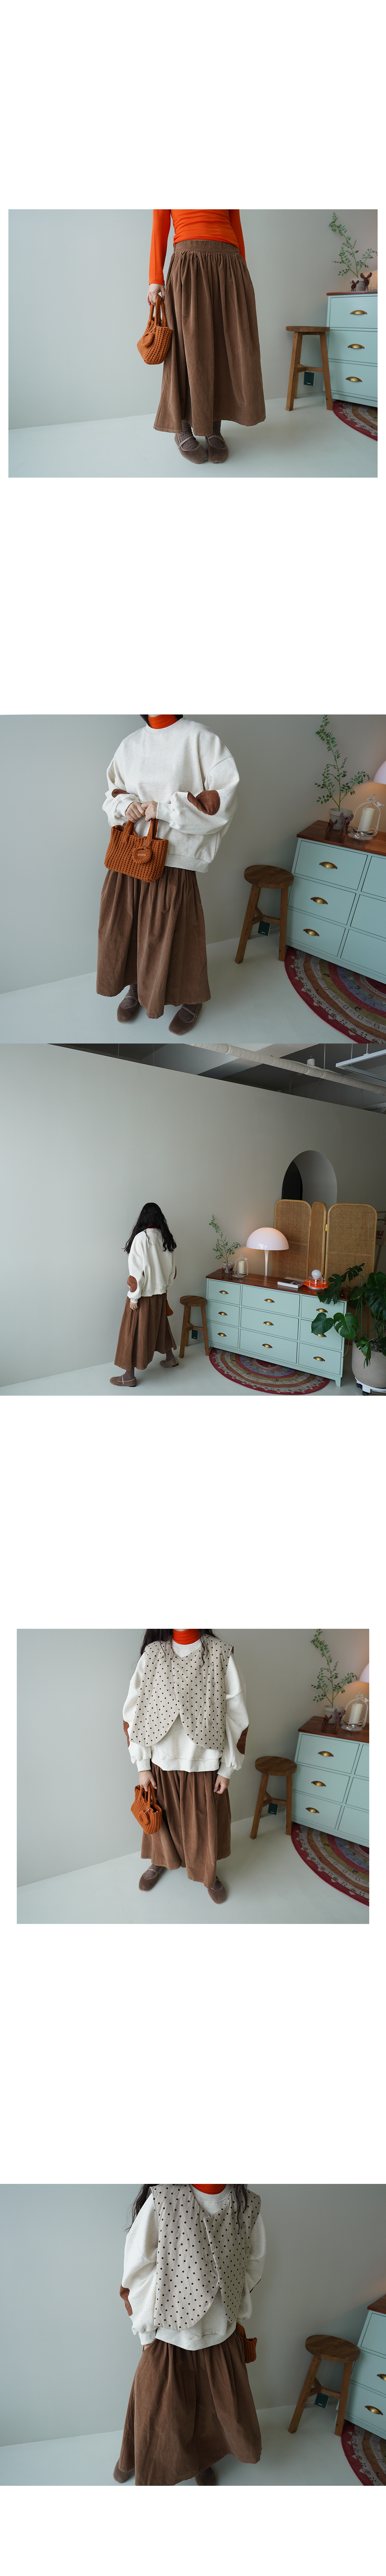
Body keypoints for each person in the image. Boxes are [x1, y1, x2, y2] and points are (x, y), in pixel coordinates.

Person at [113, 2184, 266, 2486]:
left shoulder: (247, 2205)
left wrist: (232, 2309)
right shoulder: (164, 2199)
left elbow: (253, 2264)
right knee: (158, 2414)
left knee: (212, 2413)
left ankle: (202, 2460)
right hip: (170, 2339)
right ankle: (132, 2458)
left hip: (221, 2339)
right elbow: (137, 2272)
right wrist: (147, 2336)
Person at [96, 712, 239, 1030]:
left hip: (174, 857)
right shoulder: (130, 744)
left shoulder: (200, 738)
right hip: (130, 854)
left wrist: (165, 810)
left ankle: (192, 996)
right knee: (128, 926)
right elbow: (113, 791)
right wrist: (125, 805)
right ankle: (137, 984)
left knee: (179, 931)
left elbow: (222, 800)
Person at [123, 1628, 248, 1900]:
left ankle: (208, 1872)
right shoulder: (153, 1654)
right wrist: (143, 1765)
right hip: (161, 1760)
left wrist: (227, 1769)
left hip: (204, 1761)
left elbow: (236, 1713)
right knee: (162, 1818)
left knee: (203, 1826)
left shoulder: (220, 1653)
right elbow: (134, 1711)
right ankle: (160, 1860)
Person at [147, 212, 265, 463]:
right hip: (189, 263)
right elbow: (159, 228)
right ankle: (182, 428)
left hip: (229, 264)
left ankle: (214, 426)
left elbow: (236, 227)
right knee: (186, 348)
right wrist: (155, 278)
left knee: (224, 347)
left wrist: (243, 270)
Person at [110, 1202, 177, 1390]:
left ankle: (129, 1377)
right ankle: (171, 1359)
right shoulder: (166, 1237)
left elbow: (136, 1273)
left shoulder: (141, 1239)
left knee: (132, 1331)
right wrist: (164, 1288)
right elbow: (172, 1270)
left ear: (144, 1218)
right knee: (160, 1325)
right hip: (161, 1293)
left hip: (144, 1295)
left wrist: (134, 1297)